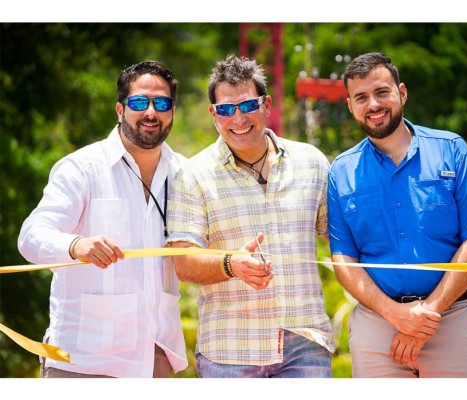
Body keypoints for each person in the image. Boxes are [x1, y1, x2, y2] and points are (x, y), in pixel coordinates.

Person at [328, 52, 467, 378]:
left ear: (402, 92)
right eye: (361, 97)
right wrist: (396, 314)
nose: (373, 104)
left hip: (453, 318)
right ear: (350, 106)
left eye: (381, 92)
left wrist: (427, 314)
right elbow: (343, 258)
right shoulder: (340, 172)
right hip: (377, 327)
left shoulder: (452, 150)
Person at [167, 55, 335, 378]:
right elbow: (183, 262)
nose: (238, 118)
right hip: (230, 352)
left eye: (247, 105)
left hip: (306, 345)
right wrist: (232, 263)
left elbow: (342, 242)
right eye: (227, 110)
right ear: (214, 115)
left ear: (267, 104)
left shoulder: (312, 163)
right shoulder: (193, 175)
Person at [17, 60, 188, 378]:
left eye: (161, 103)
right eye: (140, 102)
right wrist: (75, 245)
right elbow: (31, 235)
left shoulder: (185, 173)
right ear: (120, 110)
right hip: (84, 360)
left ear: (172, 111)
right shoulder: (82, 167)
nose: (151, 112)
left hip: (156, 359)